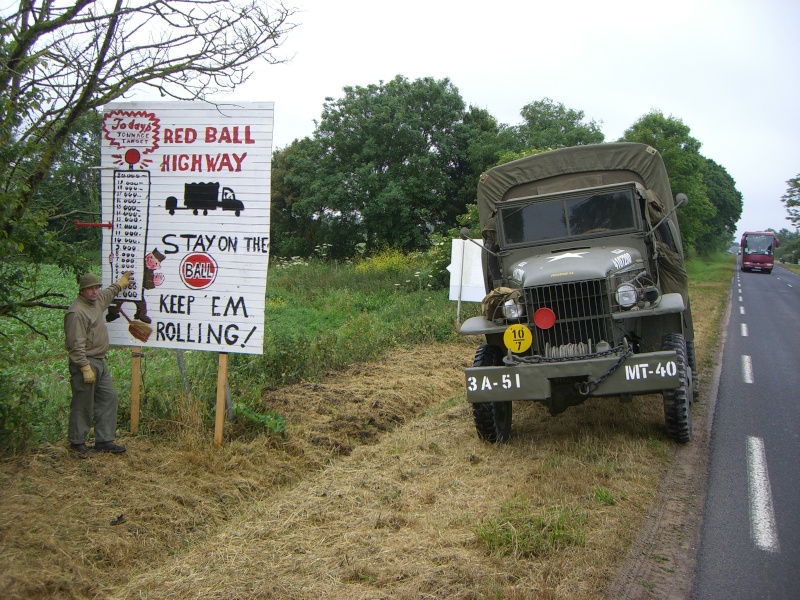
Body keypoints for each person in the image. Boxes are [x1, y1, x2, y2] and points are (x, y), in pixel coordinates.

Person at [64, 271, 133, 454]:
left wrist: (120, 284)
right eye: (90, 289)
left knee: (109, 397)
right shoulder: (76, 312)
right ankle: (77, 442)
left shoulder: (96, 303)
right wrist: (84, 367)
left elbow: (107, 294)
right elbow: (75, 344)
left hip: (100, 362)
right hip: (86, 363)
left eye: (96, 287)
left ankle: (104, 440)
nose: (95, 291)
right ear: (82, 290)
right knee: (83, 403)